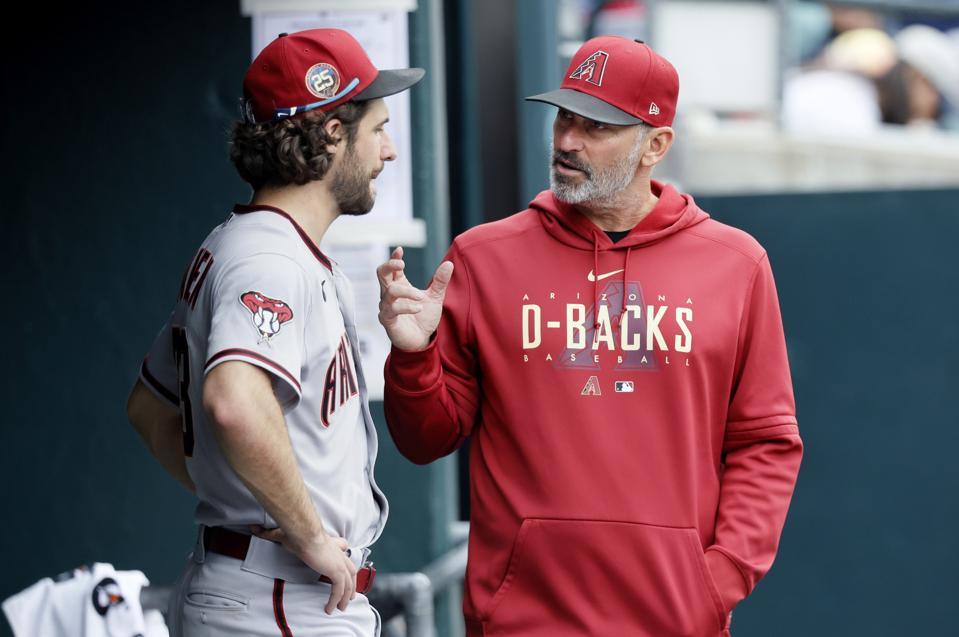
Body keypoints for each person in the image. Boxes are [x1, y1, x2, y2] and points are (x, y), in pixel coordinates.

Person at [377, 36, 802, 636]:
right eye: (565, 119)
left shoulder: (736, 265)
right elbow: (425, 440)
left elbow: (765, 442)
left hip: (673, 620)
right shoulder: (483, 257)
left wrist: (718, 580)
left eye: (596, 126)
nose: (568, 141)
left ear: (656, 145)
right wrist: (413, 355)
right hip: (522, 621)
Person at [126, 28, 423, 637]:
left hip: (265, 588)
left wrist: (246, 500)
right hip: (277, 598)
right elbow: (232, 403)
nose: (389, 151)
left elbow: (148, 410)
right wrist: (302, 531)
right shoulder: (269, 259)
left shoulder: (248, 246)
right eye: (378, 130)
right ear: (332, 134)